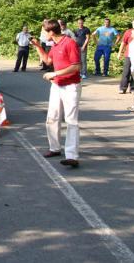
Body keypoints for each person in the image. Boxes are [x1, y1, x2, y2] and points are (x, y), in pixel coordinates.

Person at [30, 19, 82, 168]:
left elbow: (76, 66)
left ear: (51, 32)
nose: (42, 34)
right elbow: (47, 61)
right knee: (52, 117)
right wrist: (38, 47)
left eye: (43, 32)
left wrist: (55, 73)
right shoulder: (55, 44)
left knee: (71, 120)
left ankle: (72, 155)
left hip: (71, 85)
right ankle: (54, 147)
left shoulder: (69, 43)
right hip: (57, 85)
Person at [117, 18, 134, 94]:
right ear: (132, 24)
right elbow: (123, 43)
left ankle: (133, 88)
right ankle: (123, 88)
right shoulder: (128, 32)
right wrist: (119, 53)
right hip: (128, 55)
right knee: (126, 71)